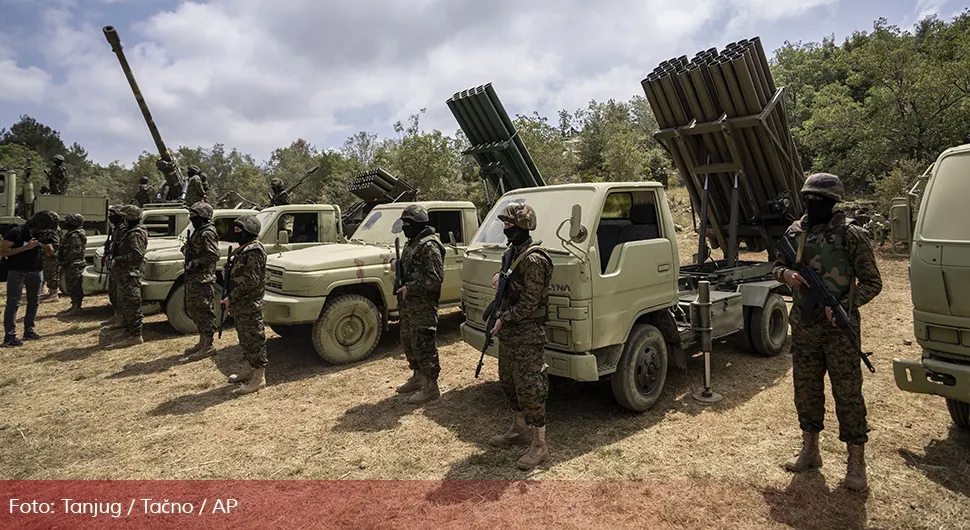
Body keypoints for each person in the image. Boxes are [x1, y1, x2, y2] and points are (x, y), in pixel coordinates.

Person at [773, 172, 883, 493]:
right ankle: (810, 450)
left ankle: (856, 462)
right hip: (804, 327)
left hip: (838, 331)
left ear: (834, 202)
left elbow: (873, 282)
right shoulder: (796, 232)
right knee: (805, 391)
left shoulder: (851, 236)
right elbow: (777, 266)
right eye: (809, 198)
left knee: (848, 393)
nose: (813, 204)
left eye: (819, 200)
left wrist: (846, 308)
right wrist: (787, 273)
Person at [487, 203, 554, 471]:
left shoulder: (534, 258)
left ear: (522, 226)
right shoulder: (512, 253)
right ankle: (519, 428)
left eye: (509, 224)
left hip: (527, 333)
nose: (505, 228)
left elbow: (530, 301)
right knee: (508, 382)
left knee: (530, 388)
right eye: (504, 224)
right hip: (511, 333)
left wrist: (505, 318)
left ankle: (540, 444)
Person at [393, 205, 445, 404]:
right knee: (409, 341)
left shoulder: (429, 245)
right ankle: (418, 377)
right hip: (409, 305)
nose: (405, 227)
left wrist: (411, 288)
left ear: (418, 224)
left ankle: (431, 386)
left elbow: (435, 278)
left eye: (408, 223)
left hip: (422, 305)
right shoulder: (412, 242)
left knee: (424, 344)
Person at [221, 215, 268, 395]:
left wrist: (231, 297)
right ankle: (249, 366)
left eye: (240, 230)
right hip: (242, 303)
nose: (236, 233)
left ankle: (259, 376)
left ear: (249, 231)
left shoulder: (254, 250)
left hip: (250, 302)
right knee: (244, 337)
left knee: (254, 338)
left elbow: (252, 281)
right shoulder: (244, 249)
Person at [1, 211, 58, 346]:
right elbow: (3, 251)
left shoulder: (45, 235)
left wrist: (46, 246)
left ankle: (29, 331)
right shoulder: (17, 231)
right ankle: (10, 336)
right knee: (13, 303)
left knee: (34, 302)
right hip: (17, 271)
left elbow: (50, 254)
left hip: (36, 271)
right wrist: (26, 248)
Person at [180, 202, 221, 363]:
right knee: (194, 309)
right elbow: (185, 249)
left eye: (195, 216)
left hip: (204, 278)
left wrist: (195, 262)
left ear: (203, 217)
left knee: (204, 311)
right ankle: (202, 341)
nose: (192, 219)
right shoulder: (197, 231)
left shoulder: (207, 233)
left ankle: (208, 345)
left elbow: (213, 255)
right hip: (194, 278)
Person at [103, 205, 148, 348]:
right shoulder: (128, 232)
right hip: (123, 274)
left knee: (132, 305)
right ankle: (129, 331)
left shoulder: (135, 233)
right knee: (125, 304)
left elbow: (137, 255)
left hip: (130, 274)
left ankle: (136, 335)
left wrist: (119, 259)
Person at [101, 205, 127, 328]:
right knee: (113, 291)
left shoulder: (123, 230)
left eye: (113, 214)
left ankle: (122, 317)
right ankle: (116, 314)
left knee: (120, 293)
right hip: (113, 264)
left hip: (120, 265)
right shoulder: (115, 229)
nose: (111, 216)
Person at [57, 213, 87, 315]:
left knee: (74, 286)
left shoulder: (75, 235)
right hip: (71, 264)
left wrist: (65, 262)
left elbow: (75, 252)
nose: (65, 223)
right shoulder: (72, 233)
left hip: (74, 264)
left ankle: (76, 307)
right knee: (71, 285)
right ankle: (74, 305)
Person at [38, 216, 62, 303]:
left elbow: (53, 246)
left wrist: (42, 245)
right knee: (48, 274)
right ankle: (51, 293)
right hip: (50, 256)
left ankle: (54, 295)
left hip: (52, 257)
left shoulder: (52, 232)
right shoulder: (53, 229)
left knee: (52, 274)